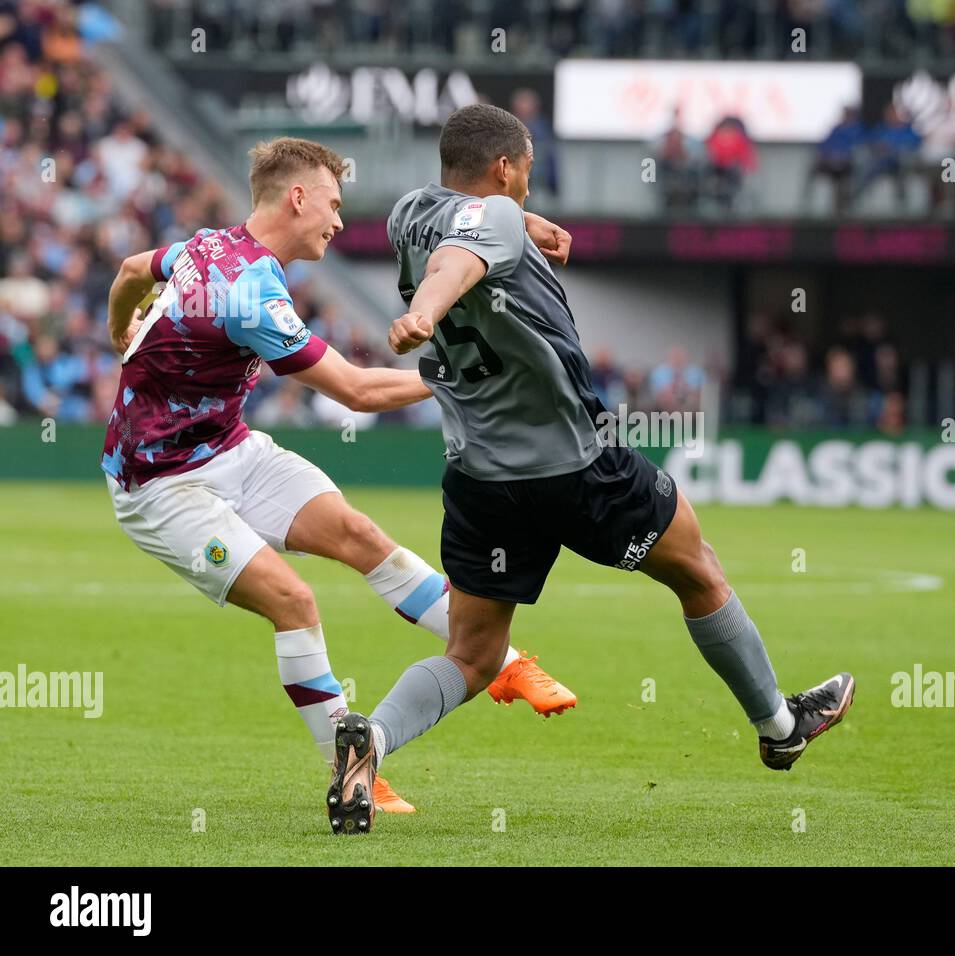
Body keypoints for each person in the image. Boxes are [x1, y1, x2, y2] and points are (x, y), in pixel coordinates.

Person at [328, 104, 855, 836]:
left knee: (474, 654)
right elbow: (462, 259)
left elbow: (463, 235)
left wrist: (529, 230)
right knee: (698, 571)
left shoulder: (407, 213)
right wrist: (427, 308)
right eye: (527, 179)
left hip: (481, 478)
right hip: (578, 465)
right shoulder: (492, 225)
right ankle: (779, 724)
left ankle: (373, 743)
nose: (527, 193)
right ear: (504, 171)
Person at [102, 137, 578, 818]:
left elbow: (128, 269)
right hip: (160, 486)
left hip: (229, 450)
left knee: (359, 536)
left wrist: (121, 331)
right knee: (294, 603)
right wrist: (457, 379)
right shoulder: (247, 289)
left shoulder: (208, 245)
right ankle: (354, 768)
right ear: (297, 198)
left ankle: (504, 664)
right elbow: (355, 391)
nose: (338, 220)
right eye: (332, 203)